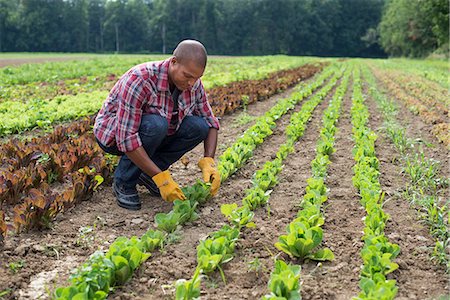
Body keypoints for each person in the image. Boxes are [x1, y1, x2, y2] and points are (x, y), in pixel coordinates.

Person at [94, 40, 221, 210]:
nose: (192, 83)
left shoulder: (193, 84)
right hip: (114, 135)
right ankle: (124, 181)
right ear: (173, 62)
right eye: (188, 76)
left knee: (198, 127)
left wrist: (209, 162)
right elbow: (126, 138)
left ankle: (148, 174)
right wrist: (161, 178)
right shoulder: (140, 79)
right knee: (156, 125)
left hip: (153, 133)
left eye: (197, 78)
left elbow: (210, 122)